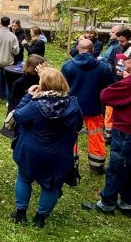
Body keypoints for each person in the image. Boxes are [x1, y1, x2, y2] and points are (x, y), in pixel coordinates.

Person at [82, 48, 131, 217]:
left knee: (117, 166)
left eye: (125, 60)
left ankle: (107, 203)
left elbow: (106, 95)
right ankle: (127, 203)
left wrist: (125, 82)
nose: (122, 62)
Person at [12, 68, 83, 228]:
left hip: (31, 151)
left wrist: (28, 96)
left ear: (43, 85)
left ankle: (20, 213)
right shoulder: (73, 105)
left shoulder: (35, 105)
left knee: (24, 178)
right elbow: (78, 125)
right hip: (58, 154)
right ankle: (40, 218)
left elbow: (18, 116)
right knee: (51, 186)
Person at [61, 39, 112, 174]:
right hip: (94, 107)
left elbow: (62, 88)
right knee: (96, 135)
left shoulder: (67, 66)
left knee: (70, 135)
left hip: (72, 107)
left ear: (78, 49)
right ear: (93, 50)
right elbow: (110, 88)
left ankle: (69, 165)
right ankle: (97, 166)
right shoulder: (103, 67)